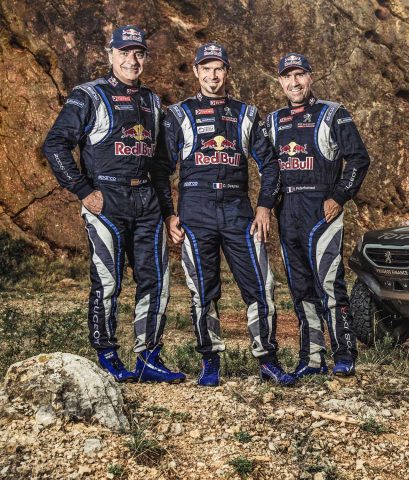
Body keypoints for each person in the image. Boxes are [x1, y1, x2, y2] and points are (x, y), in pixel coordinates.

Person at [43, 26, 185, 383]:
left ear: (145, 58)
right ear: (110, 54)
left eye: (138, 53)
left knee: (156, 281)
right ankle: (107, 355)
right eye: (124, 52)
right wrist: (82, 190)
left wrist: (168, 212)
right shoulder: (88, 95)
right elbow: (55, 144)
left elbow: (159, 164)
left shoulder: (153, 101)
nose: (131, 60)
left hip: (148, 203)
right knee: (107, 282)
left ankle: (149, 356)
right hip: (107, 201)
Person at [157, 42, 294, 387]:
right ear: (196, 72)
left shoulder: (246, 113)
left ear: (227, 72)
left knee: (261, 286)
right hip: (195, 212)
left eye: (219, 68)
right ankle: (210, 362)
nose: (212, 74)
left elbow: (271, 165)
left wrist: (264, 205)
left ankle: (267, 359)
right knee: (203, 291)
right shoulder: (179, 113)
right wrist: (168, 215)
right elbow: (161, 168)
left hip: (238, 211)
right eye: (206, 68)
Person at [265, 53, 370, 378]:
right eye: (287, 77)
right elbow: (269, 169)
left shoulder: (333, 113)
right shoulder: (273, 120)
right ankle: (311, 357)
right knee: (300, 288)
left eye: (300, 75)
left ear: (310, 77)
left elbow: (358, 159)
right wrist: (267, 205)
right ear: (280, 81)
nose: (294, 82)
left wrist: (339, 196)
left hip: (321, 209)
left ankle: (344, 354)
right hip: (288, 212)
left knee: (329, 284)